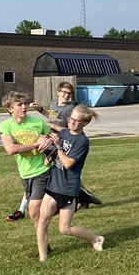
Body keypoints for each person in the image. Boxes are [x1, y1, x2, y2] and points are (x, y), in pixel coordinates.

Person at [36, 105, 104, 262]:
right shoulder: (65, 132)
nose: (72, 122)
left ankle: (96, 238)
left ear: (84, 123)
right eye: (71, 119)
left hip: (68, 189)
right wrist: (51, 156)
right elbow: (54, 127)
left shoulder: (82, 142)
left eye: (76, 120)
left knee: (64, 228)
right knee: (42, 221)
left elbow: (67, 163)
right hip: (53, 185)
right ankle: (43, 258)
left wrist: (58, 146)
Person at [26, 81, 103, 213]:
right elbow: (52, 116)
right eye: (64, 92)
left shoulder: (71, 108)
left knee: (60, 171)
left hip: (62, 141)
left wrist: (57, 137)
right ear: (58, 92)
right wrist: (39, 110)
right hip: (53, 138)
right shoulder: (54, 104)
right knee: (55, 171)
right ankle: (81, 195)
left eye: (69, 93)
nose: (67, 95)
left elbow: (70, 127)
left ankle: (79, 194)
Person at [0, 91, 55, 230]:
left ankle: (44, 244)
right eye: (19, 104)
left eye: (24, 104)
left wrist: (48, 140)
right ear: (10, 109)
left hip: (43, 169)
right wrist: (36, 144)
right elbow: (10, 149)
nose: (24, 107)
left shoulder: (37, 122)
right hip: (25, 173)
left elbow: (54, 135)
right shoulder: (5, 126)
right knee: (37, 213)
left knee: (34, 210)